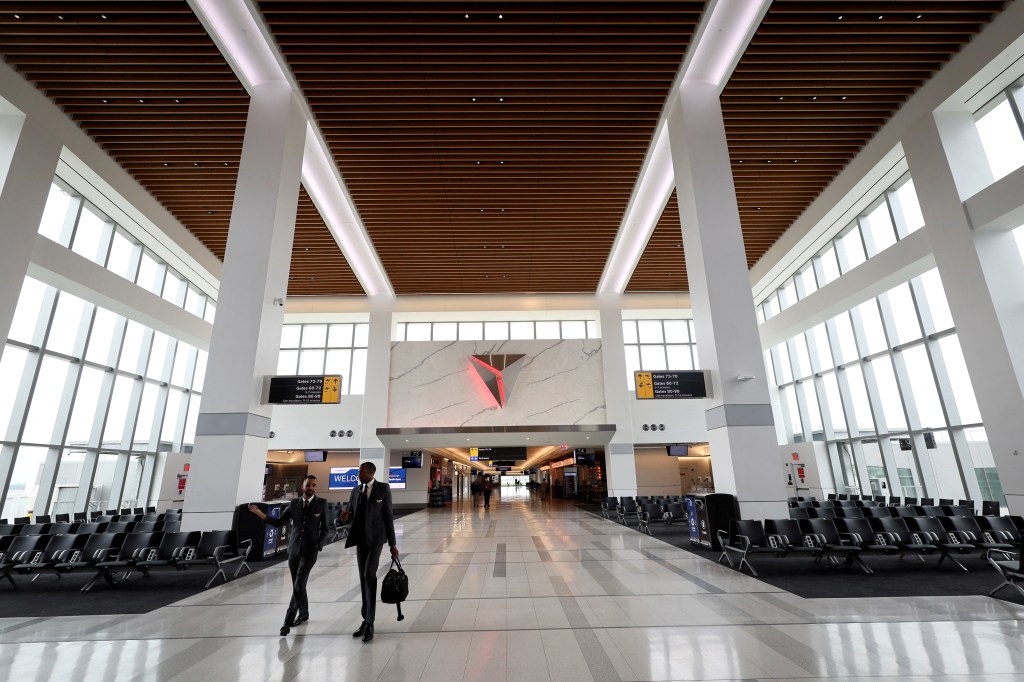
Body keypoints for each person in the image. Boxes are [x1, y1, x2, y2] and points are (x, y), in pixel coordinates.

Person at [248, 475, 328, 636]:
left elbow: (325, 528)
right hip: (294, 550)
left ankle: (287, 621)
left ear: (315, 487)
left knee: (299, 583)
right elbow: (279, 522)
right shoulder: (294, 504)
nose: (310, 487)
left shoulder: (321, 504)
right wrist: (259, 514)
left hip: (310, 550)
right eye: (308, 485)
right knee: (298, 585)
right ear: (302, 487)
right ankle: (304, 613)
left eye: (313, 485)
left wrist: (319, 545)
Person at [339, 462, 400, 643]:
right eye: (359, 471)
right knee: (362, 577)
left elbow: (388, 516)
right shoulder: (355, 491)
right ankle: (365, 619)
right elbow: (350, 513)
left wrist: (393, 544)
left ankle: (371, 622)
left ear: (371, 472)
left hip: (376, 540)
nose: (358, 474)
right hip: (360, 540)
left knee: (369, 574)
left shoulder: (383, 488)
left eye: (361, 471)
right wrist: (344, 517)